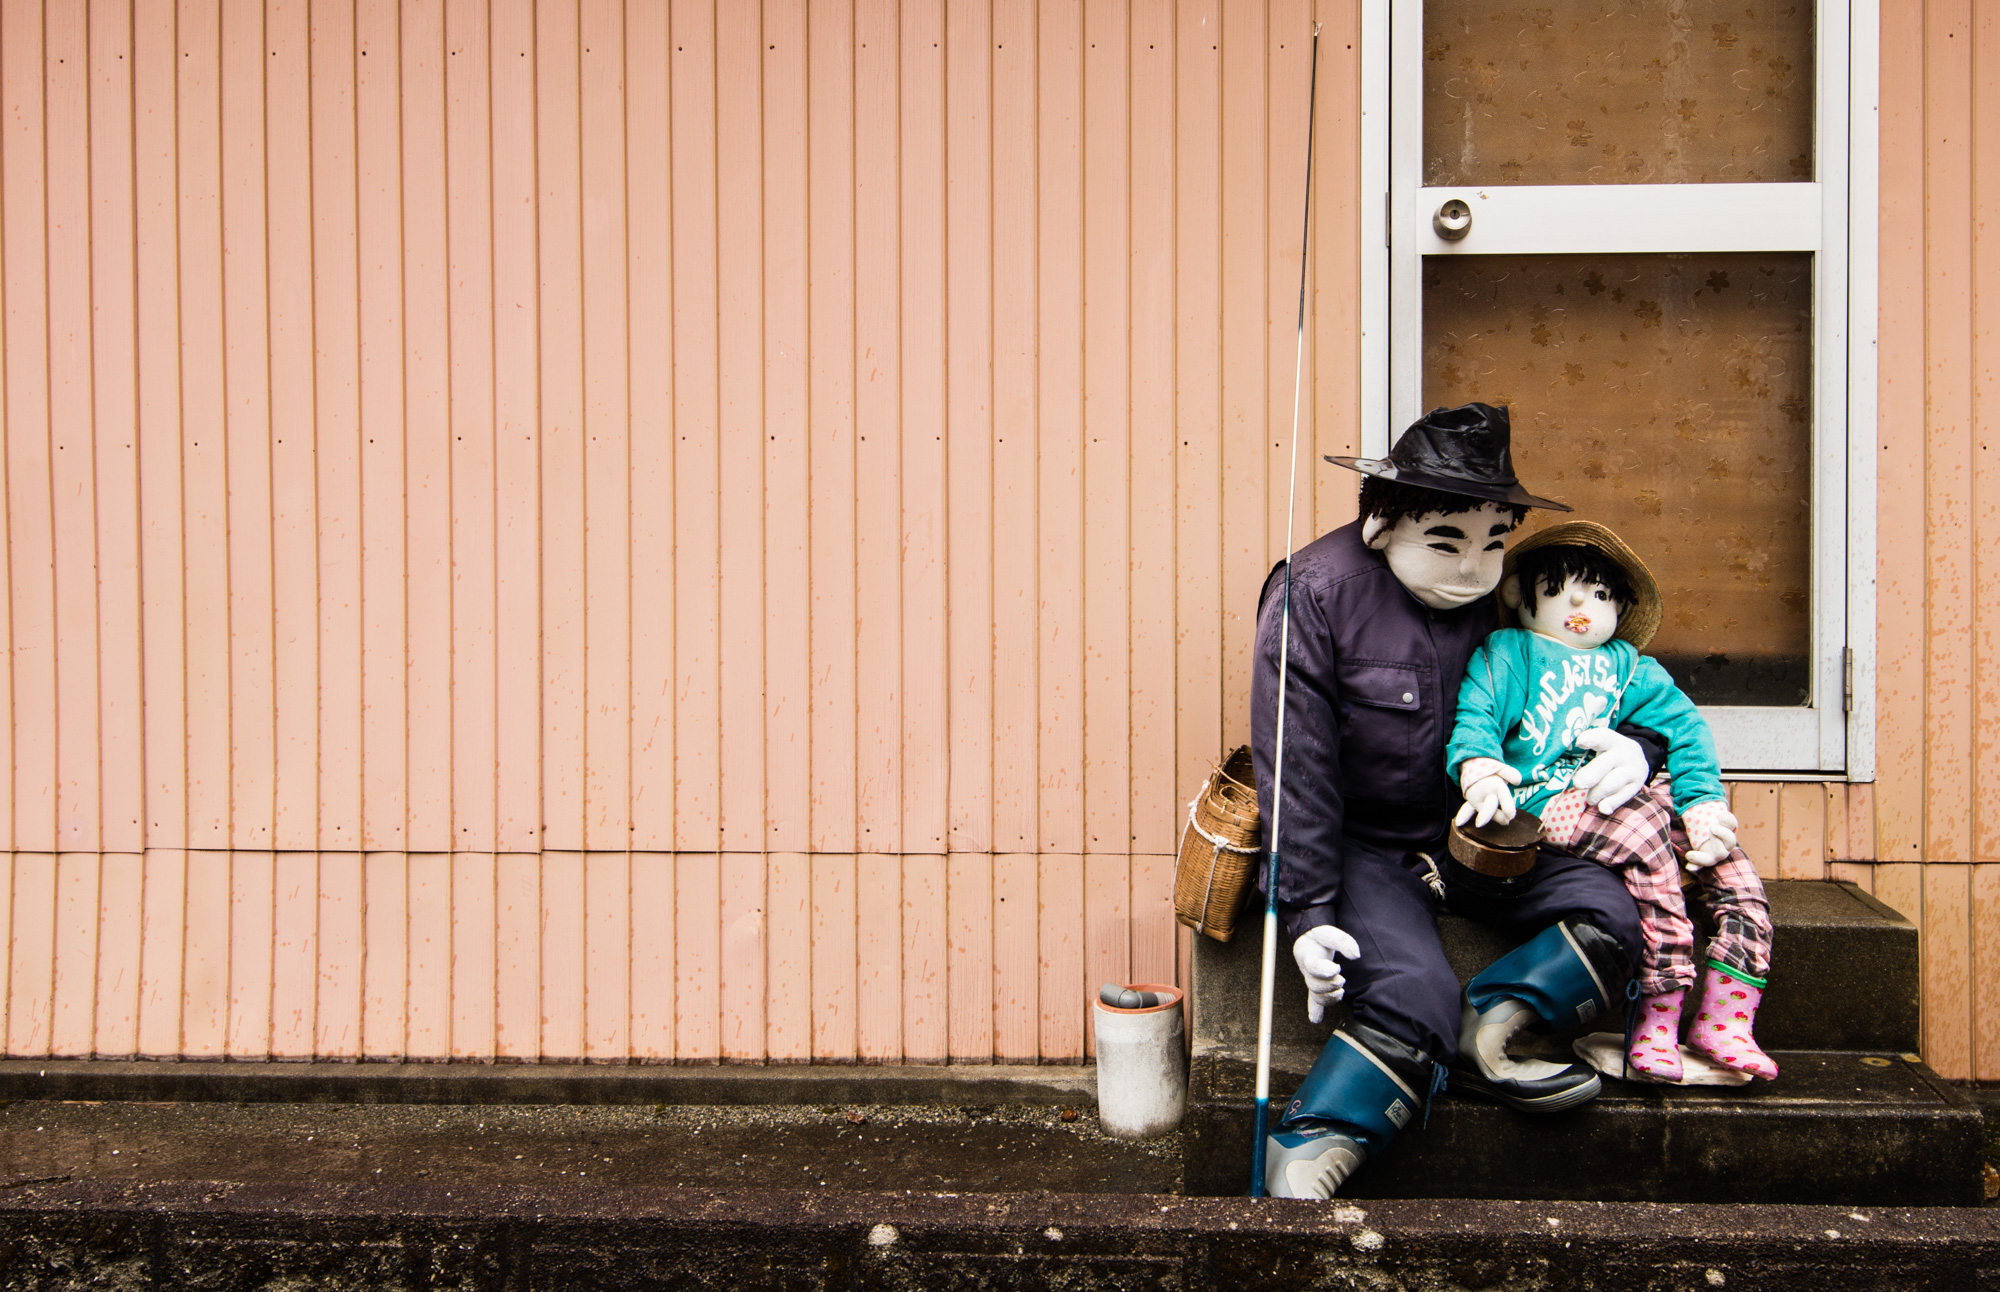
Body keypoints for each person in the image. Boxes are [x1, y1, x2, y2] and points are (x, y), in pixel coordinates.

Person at [1249, 402, 1743, 1201]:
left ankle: (1494, 1032)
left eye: (1493, 543)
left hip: (1496, 833)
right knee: (1413, 991)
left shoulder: (1509, 597)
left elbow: (1597, 683)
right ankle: (1316, 1142)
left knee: (1618, 919)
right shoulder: (1315, 594)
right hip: (1368, 847)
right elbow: (1293, 767)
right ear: (1382, 525)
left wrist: (1639, 751)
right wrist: (1305, 913)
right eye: (1446, 541)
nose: (1474, 568)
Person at [1445, 522, 1778, 1083]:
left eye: (1599, 594)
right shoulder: (1509, 652)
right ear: (1517, 593)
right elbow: (1475, 712)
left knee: (1727, 861)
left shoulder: (1630, 665)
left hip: (1615, 793)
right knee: (1647, 831)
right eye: (1559, 590)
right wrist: (1478, 767)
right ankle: (1657, 1013)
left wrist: (1703, 805)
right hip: (1542, 800)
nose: (1580, 604)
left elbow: (1686, 728)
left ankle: (1727, 1018)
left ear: (1619, 607)